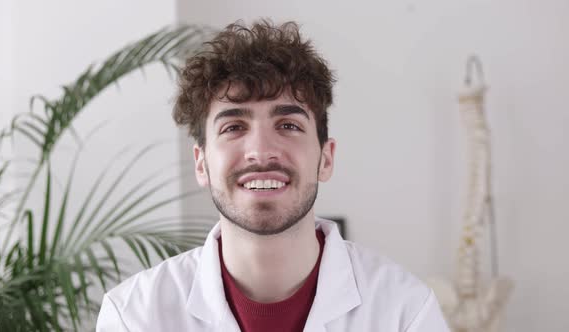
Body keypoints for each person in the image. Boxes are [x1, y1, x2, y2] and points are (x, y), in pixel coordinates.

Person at [96, 19, 450, 332]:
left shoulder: (404, 313)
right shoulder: (134, 317)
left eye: (288, 124)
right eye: (234, 126)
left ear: (326, 159)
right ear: (201, 163)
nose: (262, 151)